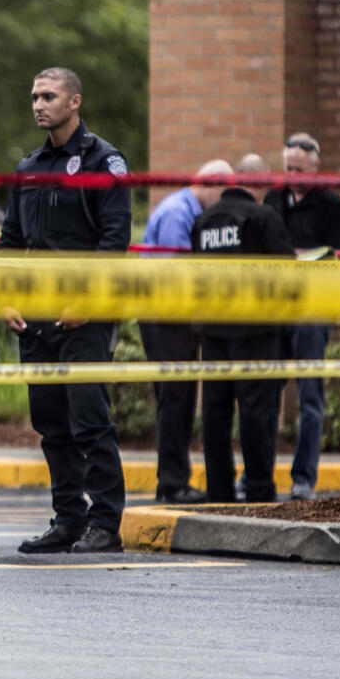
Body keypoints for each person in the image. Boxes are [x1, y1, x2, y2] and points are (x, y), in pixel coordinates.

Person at [0, 67, 131, 554]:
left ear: (75, 102)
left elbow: (115, 240)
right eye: (34, 96)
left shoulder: (104, 161)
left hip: (83, 314)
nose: (38, 104)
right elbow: (10, 240)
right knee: (50, 422)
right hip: (34, 313)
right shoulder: (28, 165)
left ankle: (105, 524)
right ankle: (68, 520)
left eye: (48, 96)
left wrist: (89, 303)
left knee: (89, 418)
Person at [191, 153, 296, 504]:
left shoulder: (204, 221)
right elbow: (287, 275)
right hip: (256, 332)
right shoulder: (265, 217)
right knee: (256, 415)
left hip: (214, 332)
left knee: (216, 414)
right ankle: (259, 490)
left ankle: (219, 490)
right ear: (260, 184)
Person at [137, 159, 234, 504]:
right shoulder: (179, 213)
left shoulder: (181, 208)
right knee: (175, 401)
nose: (223, 204)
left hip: (168, 317)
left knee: (177, 399)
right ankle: (173, 483)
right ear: (209, 185)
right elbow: (177, 275)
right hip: (165, 317)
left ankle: (174, 480)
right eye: (223, 194)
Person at [265, 133, 340, 500]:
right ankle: (257, 475)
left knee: (310, 399)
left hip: (313, 311)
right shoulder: (273, 199)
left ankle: (303, 480)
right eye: (287, 168)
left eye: (299, 169)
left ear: (315, 168)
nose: (292, 175)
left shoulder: (332, 205)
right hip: (276, 310)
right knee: (263, 393)